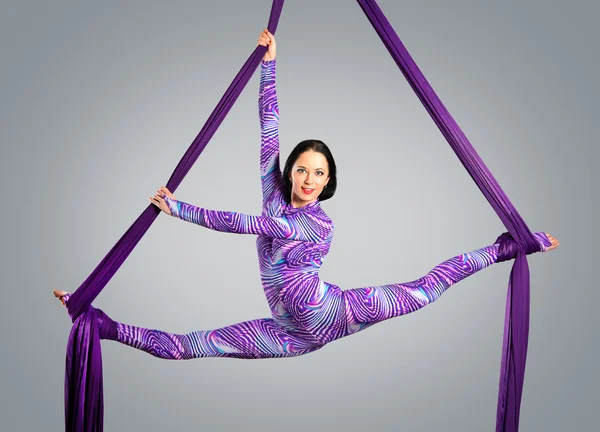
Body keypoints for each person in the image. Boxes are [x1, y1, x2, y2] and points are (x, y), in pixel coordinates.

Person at [53, 29, 559, 359]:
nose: (308, 178)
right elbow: (268, 128)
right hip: (290, 336)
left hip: (338, 314)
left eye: (318, 172)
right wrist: (270, 62)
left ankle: (507, 248)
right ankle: (104, 327)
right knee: (191, 348)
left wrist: (179, 209)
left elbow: (244, 225)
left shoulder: (314, 223)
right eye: (301, 169)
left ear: (327, 181)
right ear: (290, 173)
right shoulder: (274, 194)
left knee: (426, 290)